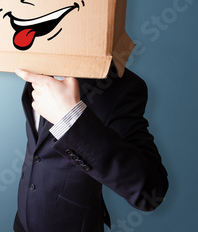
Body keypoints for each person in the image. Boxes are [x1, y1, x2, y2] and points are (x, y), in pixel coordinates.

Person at [12, 64, 168, 232]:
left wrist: (70, 118)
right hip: (23, 221)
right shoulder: (35, 62)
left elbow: (151, 192)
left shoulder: (120, 85)